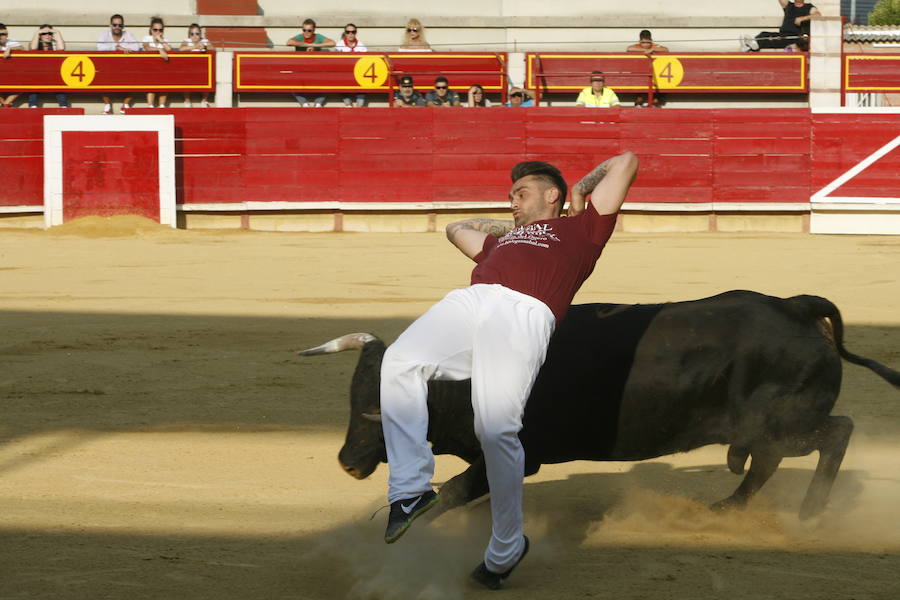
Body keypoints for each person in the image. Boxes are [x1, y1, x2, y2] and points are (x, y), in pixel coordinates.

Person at [379, 151, 639, 591]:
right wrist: (517, 225)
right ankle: (409, 492)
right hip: (473, 299)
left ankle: (506, 546)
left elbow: (627, 161)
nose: (512, 202)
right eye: (510, 197)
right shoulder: (504, 240)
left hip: (526, 313)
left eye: (521, 193)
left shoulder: (586, 227)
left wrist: (580, 192)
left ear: (552, 194)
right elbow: (456, 228)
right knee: (400, 361)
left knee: (497, 430)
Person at [97, 14, 140, 114]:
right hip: (107, 66)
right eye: (115, 25)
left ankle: (126, 104)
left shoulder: (128, 35)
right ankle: (107, 105)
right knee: (99, 76)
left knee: (136, 76)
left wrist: (120, 48)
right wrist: (117, 48)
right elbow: (100, 48)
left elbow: (136, 48)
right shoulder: (104, 35)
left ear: (123, 26)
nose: (117, 27)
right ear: (110, 25)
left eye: (120, 25)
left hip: (125, 66)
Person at [287, 18, 333, 107]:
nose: (306, 32)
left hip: (316, 69)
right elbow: (289, 42)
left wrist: (315, 45)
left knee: (329, 82)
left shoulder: (318, 37)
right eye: (304, 30)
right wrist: (307, 45)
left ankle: (318, 102)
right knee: (290, 82)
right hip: (300, 69)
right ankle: (304, 103)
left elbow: (332, 43)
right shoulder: (300, 37)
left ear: (314, 30)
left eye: (309, 30)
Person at [742, 0, 820, 52]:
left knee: (803, 39)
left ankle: (750, 45)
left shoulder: (808, 7)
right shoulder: (789, 5)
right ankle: (751, 45)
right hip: (783, 35)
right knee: (764, 34)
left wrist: (803, 18)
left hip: (795, 37)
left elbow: (818, 15)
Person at [28, 25, 70, 108]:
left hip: (53, 72)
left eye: (50, 33)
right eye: (44, 33)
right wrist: (38, 32)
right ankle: (33, 105)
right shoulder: (34, 42)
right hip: (37, 72)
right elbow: (33, 48)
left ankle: (63, 105)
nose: (47, 35)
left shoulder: (54, 44)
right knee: (33, 81)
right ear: (40, 35)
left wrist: (56, 32)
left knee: (59, 80)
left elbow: (61, 48)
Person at [626, 30, 667, 108]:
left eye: (648, 42)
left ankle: (654, 103)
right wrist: (645, 50)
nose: (646, 45)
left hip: (655, 73)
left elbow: (665, 49)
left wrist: (652, 49)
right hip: (640, 74)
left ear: (651, 41)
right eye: (643, 43)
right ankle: (639, 102)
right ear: (640, 41)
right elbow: (629, 48)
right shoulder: (637, 46)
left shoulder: (654, 46)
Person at [142, 17, 173, 108]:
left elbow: (169, 49)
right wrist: (159, 49)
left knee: (165, 82)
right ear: (151, 30)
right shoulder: (147, 38)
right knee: (150, 83)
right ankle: (150, 105)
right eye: (155, 30)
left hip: (162, 68)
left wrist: (161, 41)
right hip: (149, 67)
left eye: (160, 30)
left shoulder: (165, 40)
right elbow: (146, 47)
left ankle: (162, 105)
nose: (158, 32)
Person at [180, 24, 213, 108]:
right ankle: (187, 100)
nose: (195, 36)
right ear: (189, 35)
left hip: (202, 67)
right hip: (188, 66)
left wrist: (205, 47)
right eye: (192, 34)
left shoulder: (204, 40)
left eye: (197, 33)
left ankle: (204, 100)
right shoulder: (186, 40)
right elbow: (181, 49)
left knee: (208, 75)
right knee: (185, 77)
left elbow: (213, 48)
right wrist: (195, 46)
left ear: (200, 34)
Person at [334, 23, 367, 107]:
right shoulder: (339, 44)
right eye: (348, 32)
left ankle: (359, 105)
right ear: (345, 33)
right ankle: (348, 103)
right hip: (344, 72)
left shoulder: (361, 45)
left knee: (364, 80)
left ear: (356, 33)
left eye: (353, 32)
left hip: (358, 72)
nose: (350, 34)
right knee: (339, 79)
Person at [0, 23, 23, 107]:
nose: (3, 36)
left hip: (11, 73)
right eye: (1, 34)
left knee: (24, 85)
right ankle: (4, 104)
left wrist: (10, 49)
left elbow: (22, 48)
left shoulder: (11, 42)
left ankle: (5, 104)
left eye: (5, 34)